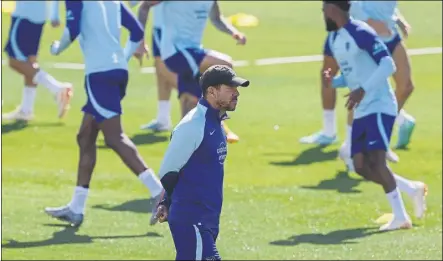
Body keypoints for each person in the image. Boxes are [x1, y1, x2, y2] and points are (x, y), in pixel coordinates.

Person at [44, 1, 164, 227]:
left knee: (114, 137)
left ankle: (159, 193)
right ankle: (76, 208)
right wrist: (123, 58)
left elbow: (73, 28)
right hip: (117, 72)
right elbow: (137, 31)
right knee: (85, 136)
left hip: (99, 75)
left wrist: (56, 48)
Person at [321, 0, 427, 231]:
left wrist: (363, 90)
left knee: (377, 161)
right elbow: (351, 77)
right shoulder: (335, 39)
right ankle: (411, 189)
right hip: (363, 108)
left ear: (332, 10)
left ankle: (400, 217)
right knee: (359, 165)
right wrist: (334, 81)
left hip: (380, 105)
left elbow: (388, 65)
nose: (323, 15)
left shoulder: (361, 32)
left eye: (323, 10)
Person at [154, 65, 249, 260]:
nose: (236, 93)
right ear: (212, 91)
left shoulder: (216, 123)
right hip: (192, 220)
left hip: (207, 220)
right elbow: (168, 171)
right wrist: (166, 201)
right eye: (230, 88)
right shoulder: (192, 125)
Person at [135, 0, 246, 144]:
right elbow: (144, 7)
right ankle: (217, 120)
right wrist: (139, 43)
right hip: (175, 51)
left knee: (189, 98)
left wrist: (233, 32)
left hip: (192, 51)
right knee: (225, 64)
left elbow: (216, 19)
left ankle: (186, 141)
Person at [2, 1, 73, 121]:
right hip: (38, 15)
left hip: (25, 14)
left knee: (15, 62)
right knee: (30, 62)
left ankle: (58, 88)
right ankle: (26, 110)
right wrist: (54, 14)